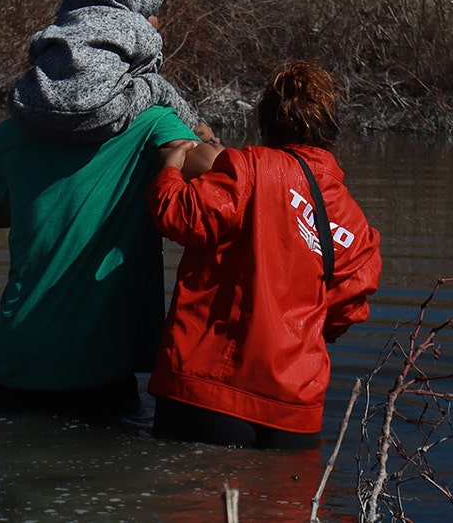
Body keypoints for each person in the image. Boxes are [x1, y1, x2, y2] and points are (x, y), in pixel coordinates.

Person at [0, 0, 214, 416]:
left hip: (14, 361)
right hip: (96, 370)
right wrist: (198, 134)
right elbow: (227, 182)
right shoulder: (155, 126)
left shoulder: (13, 128)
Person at [145, 61, 382, 449]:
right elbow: (344, 311)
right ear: (331, 131)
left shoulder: (248, 167)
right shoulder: (355, 223)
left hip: (208, 390)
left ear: (266, 122)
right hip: (294, 408)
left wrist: (170, 168)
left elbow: (180, 215)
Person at [7, 0, 201, 144]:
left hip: (31, 106)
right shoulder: (133, 24)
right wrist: (150, 29)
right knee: (155, 84)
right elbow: (149, 64)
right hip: (100, 113)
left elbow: (35, 51)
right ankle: (196, 127)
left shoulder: (66, 22)